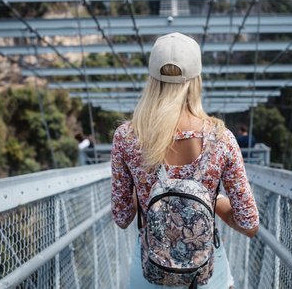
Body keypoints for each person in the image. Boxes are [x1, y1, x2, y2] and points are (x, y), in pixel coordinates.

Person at [111, 33, 259, 289]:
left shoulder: (126, 137)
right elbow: (249, 224)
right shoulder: (220, 138)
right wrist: (213, 202)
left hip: (150, 268)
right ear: (196, 80)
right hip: (207, 270)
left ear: (152, 81)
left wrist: (146, 189)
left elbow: (123, 217)